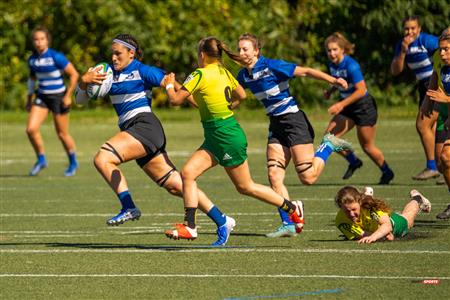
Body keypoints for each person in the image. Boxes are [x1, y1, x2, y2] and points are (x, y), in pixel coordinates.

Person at [75, 34, 235, 246]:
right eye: (112, 53)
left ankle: (128, 206)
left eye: (118, 53)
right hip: (134, 130)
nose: (113, 58)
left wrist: (206, 109)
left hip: (145, 126)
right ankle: (222, 220)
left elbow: (178, 89)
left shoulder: (143, 71)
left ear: (131, 53)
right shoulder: (107, 74)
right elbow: (78, 100)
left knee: (103, 158)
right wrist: (83, 82)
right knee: (175, 185)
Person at [164, 36, 304, 242]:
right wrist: (230, 105)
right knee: (188, 173)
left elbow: (175, 100)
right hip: (218, 135)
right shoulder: (224, 72)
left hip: (226, 136)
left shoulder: (199, 74)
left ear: (202, 55)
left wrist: (168, 86)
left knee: (245, 186)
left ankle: (291, 207)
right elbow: (241, 95)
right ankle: (190, 226)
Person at [236, 33, 352, 238]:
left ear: (256, 51)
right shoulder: (243, 75)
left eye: (245, 49)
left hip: (294, 121)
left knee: (308, 177)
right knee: (274, 176)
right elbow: (236, 95)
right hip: (276, 124)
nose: (241, 53)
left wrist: (333, 80)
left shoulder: (272, 66)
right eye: (239, 49)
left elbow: (306, 72)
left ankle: (327, 146)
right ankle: (289, 222)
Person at [323, 32, 394, 184]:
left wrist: (340, 104)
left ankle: (387, 172)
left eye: (335, 49)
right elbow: (340, 81)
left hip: (363, 107)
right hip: (348, 106)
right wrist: (330, 91)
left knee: (367, 146)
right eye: (329, 50)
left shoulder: (351, 65)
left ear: (342, 50)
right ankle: (354, 161)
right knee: (328, 138)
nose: (332, 53)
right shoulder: (332, 65)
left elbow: (361, 90)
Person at [391, 16, 440, 181]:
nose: (410, 32)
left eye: (413, 28)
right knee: (432, 128)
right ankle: (441, 167)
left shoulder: (427, 41)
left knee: (422, 125)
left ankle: (433, 167)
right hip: (423, 86)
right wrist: (403, 52)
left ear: (419, 29)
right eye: (407, 29)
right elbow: (395, 71)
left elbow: (445, 53)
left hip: (435, 84)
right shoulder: (402, 45)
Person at [26, 26, 79, 176]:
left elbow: (74, 75)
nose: (39, 42)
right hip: (42, 97)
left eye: (42, 39)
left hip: (58, 98)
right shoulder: (32, 60)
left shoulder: (56, 57)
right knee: (31, 129)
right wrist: (29, 99)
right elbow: (31, 80)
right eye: (36, 39)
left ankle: (73, 162)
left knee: (62, 134)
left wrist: (68, 95)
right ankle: (41, 159)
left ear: (47, 40)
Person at [335, 186, 431, 243]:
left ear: (359, 202)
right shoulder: (340, 220)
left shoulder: (369, 207)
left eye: (354, 209)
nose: (351, 214)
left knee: (408, 218)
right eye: (347, 211)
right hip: (376, 227)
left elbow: (387, 225)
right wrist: (380, 236)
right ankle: (367, 193)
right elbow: (359, 234)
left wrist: (374, 237)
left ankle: (417, 199)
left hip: (393, 223)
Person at [424, 28, 450, 219]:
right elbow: (434, 79)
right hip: (446, 118)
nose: (442, 53)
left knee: (447, 156)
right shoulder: (442, 66)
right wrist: (427, 102)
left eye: (446, 49)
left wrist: (447, 99)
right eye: (440, 49)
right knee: (443, 163)